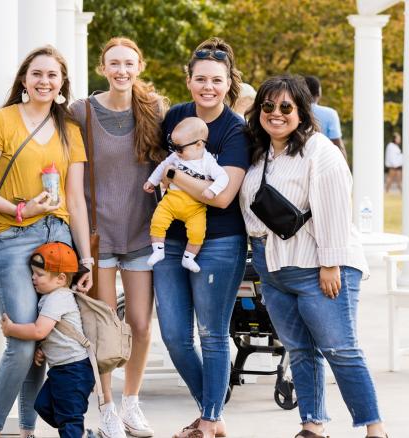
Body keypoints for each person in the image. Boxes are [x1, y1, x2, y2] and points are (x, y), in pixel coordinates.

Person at [240, 75, 388, 438]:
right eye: (268, 106)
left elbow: (335, 207)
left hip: (318, 266)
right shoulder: (259, 155)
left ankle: (375, 429)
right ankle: (312, 425)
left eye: (286, 107)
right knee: (300, 351)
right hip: (272, 269)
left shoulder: (319, 150)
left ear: (303, 111)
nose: (276, 114)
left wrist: (330, 263)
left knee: (340, 349)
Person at [0, 45, 93, 438]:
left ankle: (27, 431)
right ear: (24, 79)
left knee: (45, 339)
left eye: (52, 75)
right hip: (10, 235)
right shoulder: (1, 121)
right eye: (37, 74)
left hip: (57, 238)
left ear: (62, 84)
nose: (44, 81)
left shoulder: (69, 130)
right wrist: (19, 210)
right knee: (22, 345)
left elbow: (75, 199)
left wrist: (86, 260)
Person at [153, 37, 250, 438]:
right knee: (175, 336)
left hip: (221, 242)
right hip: (172, 238)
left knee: (212, 334)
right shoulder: (175, 117)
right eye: (200, 79)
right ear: (189, 80)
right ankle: (212, 411)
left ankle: (208, 421)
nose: (208, 87)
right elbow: (161, 179)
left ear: (229, 83)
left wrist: (175, 176)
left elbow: (223, 196)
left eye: (217, 79)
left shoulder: (235, 129)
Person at [69, 37, 164, 438]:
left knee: (141, 325)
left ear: (139, 66)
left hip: (142, 232)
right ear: (102, 68)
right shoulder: (81, 112)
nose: (121, 70)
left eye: (128, 63)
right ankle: (106, 406)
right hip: (99, 235)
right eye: (114, 64)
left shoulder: (156, 110)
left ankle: (131, 403)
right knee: (106, 328)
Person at [0, 242, 94, 438]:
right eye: (33, 273)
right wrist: (44, 349)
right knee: (43, 405)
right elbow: (54, 332)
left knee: (69, 418)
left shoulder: (58, 298)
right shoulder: (51, 296)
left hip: (74, 370)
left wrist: (11, 329)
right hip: (62, 369)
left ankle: (75, 432)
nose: (33, 278)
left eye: (39, 274)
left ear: (61, 278)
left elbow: (38, 331)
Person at [143, 117, 228, 273]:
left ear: (198, 144)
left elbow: (224, 177)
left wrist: (212, 190)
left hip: (195, 207)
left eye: (180, 148)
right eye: (173, 147)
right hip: (171, 200)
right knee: (157, 221)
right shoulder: (176, 156)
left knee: (197, 232)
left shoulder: (207, 162)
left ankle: (188, 257)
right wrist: (152, 181)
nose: (176, 152)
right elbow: (163, 166)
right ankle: (158, 250)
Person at [304, 75, 346, 159]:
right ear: (319, 93)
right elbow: (338, 145)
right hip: (323, 161)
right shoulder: (330, 114)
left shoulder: (292, 111)